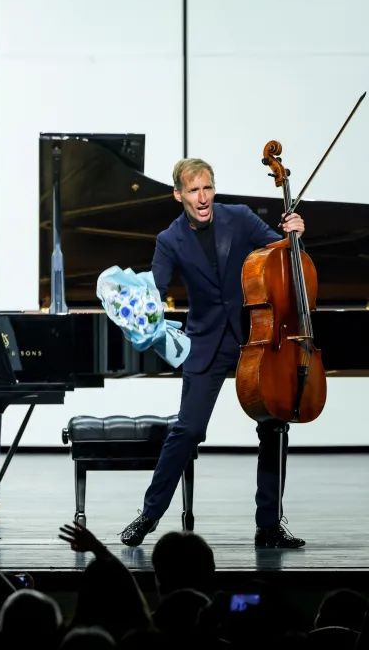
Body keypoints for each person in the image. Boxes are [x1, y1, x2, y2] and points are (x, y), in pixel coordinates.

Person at [120, 158, 306, 549]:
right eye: (193, 191)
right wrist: (134, 304)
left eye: (207, 188)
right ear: (178, 195)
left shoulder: (239, 218)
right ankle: (149, 515)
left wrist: (293, 236)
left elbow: (282, 256)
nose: (202, 198)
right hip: (206, 343)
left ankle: (269, 526)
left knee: (274, 424)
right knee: (188, 430)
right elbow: (155, 290)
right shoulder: (169, 240)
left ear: (214, 189)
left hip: (256, 335)